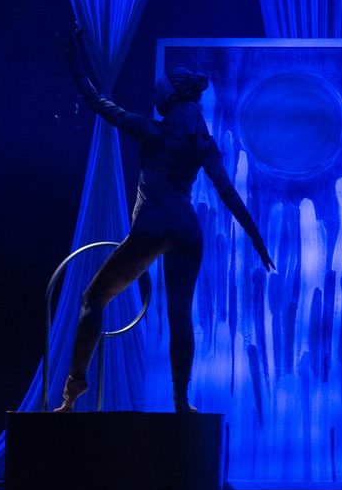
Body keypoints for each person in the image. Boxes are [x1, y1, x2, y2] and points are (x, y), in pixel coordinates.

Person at [56, 34, 275, 413]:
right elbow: (229, 195)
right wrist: (257, 239)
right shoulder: (201, 142)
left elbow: (97, 103)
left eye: (158, 91)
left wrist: (74, 60)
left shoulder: (151, 130)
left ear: (169, 98)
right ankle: (180, 400)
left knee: (92, 299)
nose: (154, 96)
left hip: (153, 226)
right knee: (180, 316)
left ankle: (71, 393)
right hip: (187, 231)